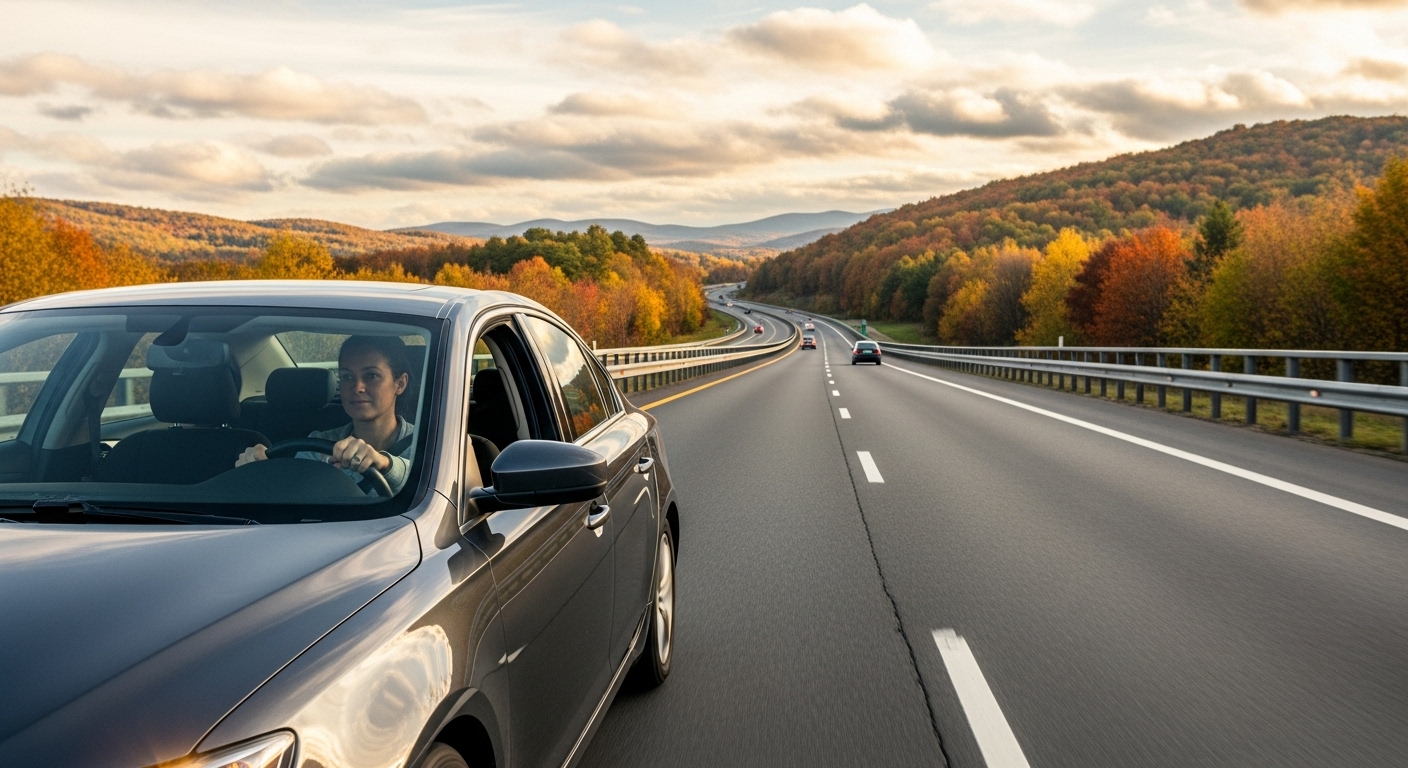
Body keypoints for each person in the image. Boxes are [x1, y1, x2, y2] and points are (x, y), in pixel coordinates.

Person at [236, 335, 416, 496]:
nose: (358, 387)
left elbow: (430, 483)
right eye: (347, 377)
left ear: (400, 384)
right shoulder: (318, 444)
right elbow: (293, 495)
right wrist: (261, 470)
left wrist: (383, 462)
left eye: (371, 375)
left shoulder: (430, 446)